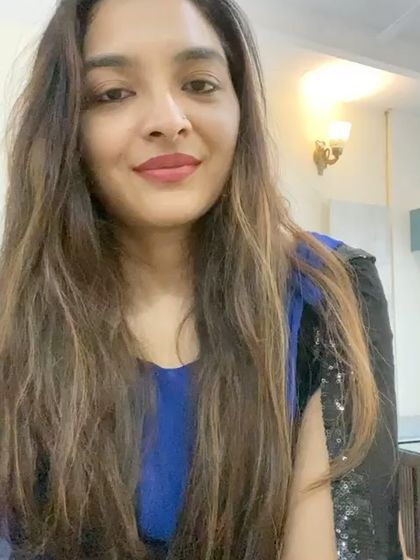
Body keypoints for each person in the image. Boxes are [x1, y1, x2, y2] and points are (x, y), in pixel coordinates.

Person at [0, 0, 403, 558]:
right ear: (64, 124)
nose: (169, 119)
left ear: (240, 110)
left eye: (199, 84)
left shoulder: (328, 290)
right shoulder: (14, 313)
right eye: (113, 93)